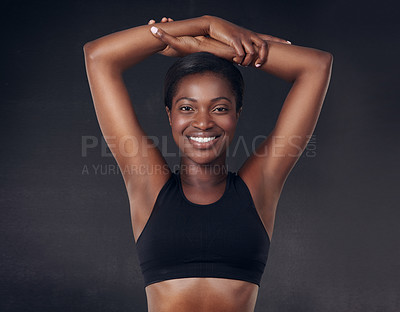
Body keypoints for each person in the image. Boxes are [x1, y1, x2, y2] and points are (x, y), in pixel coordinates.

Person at [84, 15, 332, 312]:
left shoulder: (260, 185)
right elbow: (98, 57)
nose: (202, 122)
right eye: (187, 108)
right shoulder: (148, 184)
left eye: (219, 108)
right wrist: (206, 25)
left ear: (236, 114)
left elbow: (316, 66)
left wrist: (216, 49)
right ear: (170, 115)